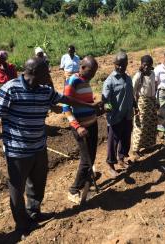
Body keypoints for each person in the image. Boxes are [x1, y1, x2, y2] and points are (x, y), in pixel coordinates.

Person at [0, 57, 101, 239]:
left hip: (39, 147)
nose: (50, 75)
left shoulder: (45, 91)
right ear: (35, 73)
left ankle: (34, 213)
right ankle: (21, 225)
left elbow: (66, 99)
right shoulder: (10, 88)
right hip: (17, 151)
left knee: (38, 184)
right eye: (47, 72)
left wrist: (89, 105)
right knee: (17, 189)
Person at [62, 56, 100, 204]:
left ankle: (87, 180)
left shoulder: (85, 81)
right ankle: (74, 190)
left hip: (92, 124)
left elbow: (85, 103)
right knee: (86, 160)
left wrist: (97, 106)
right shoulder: (73, 81)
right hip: (81, 128)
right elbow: (66, 107)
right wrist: (77, 127)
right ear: (82, 67)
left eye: (95, 72)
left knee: (92, 155)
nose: (93, 75)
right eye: (91, 71)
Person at [102, 51, 136, 177]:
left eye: (124, 64)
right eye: (118, 64)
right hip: (115, 117)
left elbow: (131, 95)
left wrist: (135, 105)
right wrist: (108, 108)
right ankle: (111, 164)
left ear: (127, 64)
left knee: (125, 139)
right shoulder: (109, 81)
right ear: (114, 64)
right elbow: (105, 99)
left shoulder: (128, 78)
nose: (121, 67)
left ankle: (121, 158)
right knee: (113, 142)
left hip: (127, 115)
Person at [132, 55, 158, 159]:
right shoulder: (138, 75)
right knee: (140, 125)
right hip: (142, 103)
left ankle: (148, 145)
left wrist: (156, 101)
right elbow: (132, 90)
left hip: (151, 101)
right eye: (144, 65)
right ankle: (135, 149)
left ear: (151, 65)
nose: (146, 67)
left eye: (148, 65)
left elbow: (154, 88)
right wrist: (135, 106)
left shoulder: (152, 73)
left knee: (151, 123)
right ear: (141, 64)